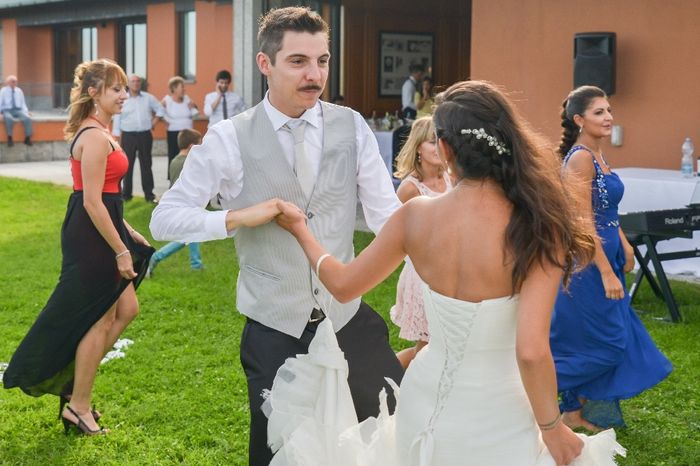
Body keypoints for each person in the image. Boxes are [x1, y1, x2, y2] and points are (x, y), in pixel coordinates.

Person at [269, 80, 626, 465]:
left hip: (421, 400)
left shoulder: (415, 216)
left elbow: (342, 285)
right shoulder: (537, 227)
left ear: (444, 148)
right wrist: (552, 427)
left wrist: (302, 231)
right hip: (498, 410)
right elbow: (531, 350)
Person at [150, 7, 404, 465]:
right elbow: (164, 219)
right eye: (298, 61)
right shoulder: (229, 137)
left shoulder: (352, 126)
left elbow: (388, 217)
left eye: (322, 61)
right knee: (278, 453)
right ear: (265, 64)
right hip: (275, 327)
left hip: (347, 318)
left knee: (389, 430)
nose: (315, 75)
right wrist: (238, 217)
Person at [2, 59, 154, 435]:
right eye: (116, 89)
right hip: (90, 236)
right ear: (93, 93)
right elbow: (90, 201)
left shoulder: (102, 131)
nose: (124, 95)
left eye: (124, 88)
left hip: (101, 225)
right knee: (100, 317)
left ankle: (75, 383)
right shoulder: (94, 137)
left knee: (127, 308)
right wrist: (121, 249)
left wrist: (128, 232)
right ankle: (78, 406)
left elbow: (106, 197)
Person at [550, 85, 673, 432]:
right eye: (599, 112)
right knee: (609, 343)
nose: (608, 117)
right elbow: (581, 221)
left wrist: (625, 245)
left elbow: (607, 212)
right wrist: (605, 271)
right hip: (588, 262)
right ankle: (526, 385)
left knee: (606, 336)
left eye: (609, 110)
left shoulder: (598, 155)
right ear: (579, 120)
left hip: (610, 253)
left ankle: (573, 412)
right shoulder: (580, 158)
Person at [390, 116, 452, 368]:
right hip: (424, 274)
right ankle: (385, 376)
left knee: (444, 344)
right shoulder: (410, 189)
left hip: (451, 269)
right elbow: (400, 235)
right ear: (418, 148)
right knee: (427, 348)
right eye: (431, 142)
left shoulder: (453, 178)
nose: (438, 147)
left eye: (441, 141)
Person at [147, 128, 204, 277]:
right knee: (188, 236)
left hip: (179, 206)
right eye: (200, 145)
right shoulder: (189, 163)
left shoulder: (174, 161)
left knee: (192, 235)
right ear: (192, 146)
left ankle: (196, 265)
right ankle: (156, 257)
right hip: (186, 206)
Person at [112, 74, 164, 203]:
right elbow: (117, 116)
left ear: (140, 84)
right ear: (128, 84)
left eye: (138, 81)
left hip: (145, 135)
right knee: (127, 165)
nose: (136, 83)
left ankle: (149, 195)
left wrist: (154, 122)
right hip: (128, 136)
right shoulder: (122, 98)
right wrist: (116, 135)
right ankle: (126, 195)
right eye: (133, 81)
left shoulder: (148, 98)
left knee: (146, 164)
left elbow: (161, 109)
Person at [162, 76, 198, 178]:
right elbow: (158, 111)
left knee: (190, 156)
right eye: (182, 87)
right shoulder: (167, 100)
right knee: (174, 156)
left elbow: (196, 113)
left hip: (188, 132)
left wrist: (194, 106)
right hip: (173, 132)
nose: (184, 89)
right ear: (174, 88)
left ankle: (190, 177)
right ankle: (173, 178)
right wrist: (165, 120)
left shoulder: (187, 99)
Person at [0, 75, 33, 147]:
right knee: (9, 119)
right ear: (8, 82)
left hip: (18, 110)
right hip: (7, 110)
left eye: (16, 81)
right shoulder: (3, 91)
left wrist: (26, 112)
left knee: (27, 119)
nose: (15, 83)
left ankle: (27, 138)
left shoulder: (19, 91)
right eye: (13, 81)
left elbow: (23, 102)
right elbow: (0, 102)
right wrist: (0, 113)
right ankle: (10, 138)